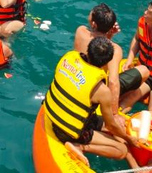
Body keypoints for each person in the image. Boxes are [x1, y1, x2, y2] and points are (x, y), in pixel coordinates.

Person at [43, 37, 140, 169]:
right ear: (107, 62)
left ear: (88, 51)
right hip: (69, 131)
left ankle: (137, 168)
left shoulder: (69, 57)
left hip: (55, 117)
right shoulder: (102, 91)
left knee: (119, 129)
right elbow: (111, 126)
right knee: (122, 150)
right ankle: (80, 146)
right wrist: (129, 139)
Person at [74, 4, 149, 115]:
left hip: (79, 80)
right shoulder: (115, 49)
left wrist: (108, 35)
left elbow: (98, 46)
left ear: (93, 24)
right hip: (98, 88)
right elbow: (113, 82)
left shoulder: (80, 31)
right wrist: (114, 115)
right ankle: (122, 104)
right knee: (144, 70)